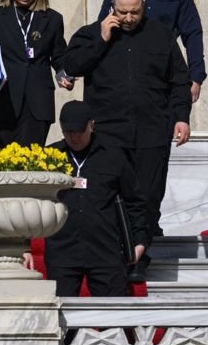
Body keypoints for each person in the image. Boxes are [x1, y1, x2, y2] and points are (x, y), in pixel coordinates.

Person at [64, 0, 192, 282]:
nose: (129, 18)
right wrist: (101, 39)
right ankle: (115, 253)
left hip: (152, 131)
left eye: (135, 12)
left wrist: (181, 118)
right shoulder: (91, 34)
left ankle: (139, 256)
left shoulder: (161, 35)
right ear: (112, 8)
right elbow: (72, 66)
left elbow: (178, 80)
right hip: (107, 133)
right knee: (112, 195)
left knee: (148, 195)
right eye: (123, 13)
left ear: (143, 9)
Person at [25, 101, 148, 296]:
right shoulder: (48, 157)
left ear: (91, 125)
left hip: (105, 250)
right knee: (62, 310)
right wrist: (24, 245)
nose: (74, 137)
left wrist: (139, 241)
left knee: (113, 310)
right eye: (68, 132)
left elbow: (135, 201)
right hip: (63, 250)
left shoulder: (113, 155)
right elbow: (30, 202)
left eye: (79, 132)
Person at [0, 0, 71, 147]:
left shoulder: (52, 18)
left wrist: (64, 75)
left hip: (38, 100)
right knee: (4, 157)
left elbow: (59, 56)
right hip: (5, 98)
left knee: (33, 156)